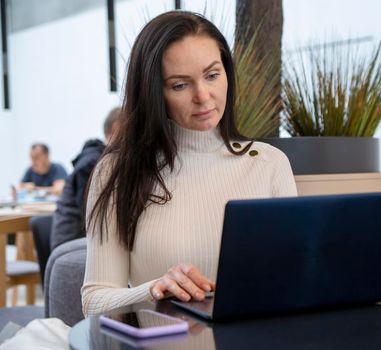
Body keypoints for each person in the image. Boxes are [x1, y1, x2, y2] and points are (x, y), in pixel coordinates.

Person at [81, 11, 297, 316]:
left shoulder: (269, 163)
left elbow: (294, 278)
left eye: (212, 75)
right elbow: (93, 303)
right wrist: (155, 289)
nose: (203, 96)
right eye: (180, 85)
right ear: (155, 93)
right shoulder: (118, 172)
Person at [50, 107, 121, 251]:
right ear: (116, 128)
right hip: (71, 244)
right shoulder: (93, 163)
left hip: (83, 239)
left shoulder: (102, 159)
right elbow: (92, 214)